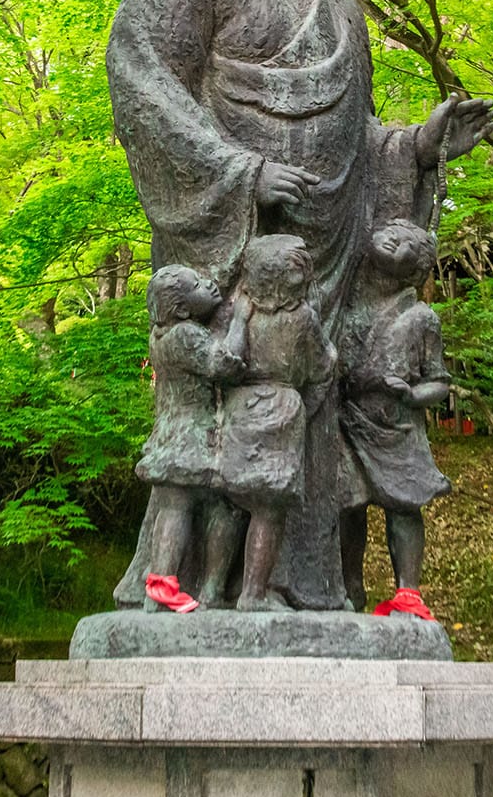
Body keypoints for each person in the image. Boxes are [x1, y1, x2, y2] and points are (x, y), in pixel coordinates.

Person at [107, 0, 493, 610]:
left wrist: (416, 149)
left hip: (321, 274)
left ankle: (305, 588)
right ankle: (191, 588)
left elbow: (358, 146)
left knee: (309, 437)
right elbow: (143, 80)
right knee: (225, 439)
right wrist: (241, 173)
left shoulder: (345, 13)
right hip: (233, 254)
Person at [338, 221, 452, 620]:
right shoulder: (347, 303)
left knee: (403, 506)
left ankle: (408, 589)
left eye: (405, 243)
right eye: (392, 232)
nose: (392, 238)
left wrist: (412, 394)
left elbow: (438, 381)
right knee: (348, 504)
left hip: (399, 424)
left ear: (415, 269)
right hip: (350, 416)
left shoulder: (422, 318)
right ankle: (349, 586)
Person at [216, 235, 336, 612]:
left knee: (231, 502)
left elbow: (227, 360)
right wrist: (306, 404)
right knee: (268, 509)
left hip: (240, 408)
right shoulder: (302, 318)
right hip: (283, 408)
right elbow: (322, 366)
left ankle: (210, 588)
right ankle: (252, 593)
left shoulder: (240, 310)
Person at [134, 265, 247, 612]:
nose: (210, 285)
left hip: (169, 433)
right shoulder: (186, 335)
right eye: (198, 285)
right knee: (225, 505)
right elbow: (225, 363)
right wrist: (241, 320)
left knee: (173, 507)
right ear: (182, 309)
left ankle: (161, 583)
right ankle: (211, 588)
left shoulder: (160, 335)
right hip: (198, 434)